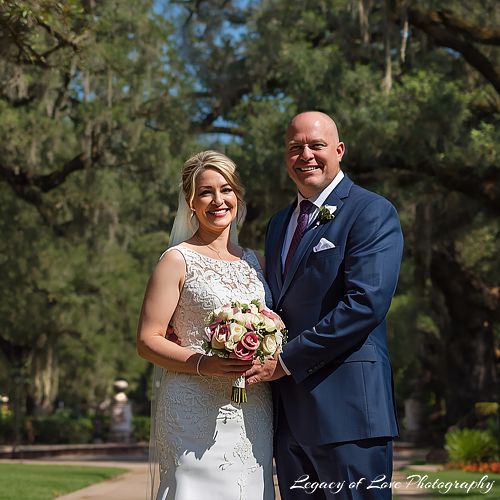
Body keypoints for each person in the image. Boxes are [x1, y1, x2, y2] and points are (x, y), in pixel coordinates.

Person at [245, 111, 404, 499]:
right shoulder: (279, 224)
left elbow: (365, 304)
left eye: (316, 146)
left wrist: (284, 361)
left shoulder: (371, 211)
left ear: (339, 150)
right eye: (295, 148)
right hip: (289, 420)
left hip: (349, 413)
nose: (306, 156)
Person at [137, 150, 275, 500]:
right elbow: (148, 339)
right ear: (191, 201)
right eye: (205, 192)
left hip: (253, 407)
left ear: (238, 196)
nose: (218, 200)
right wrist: (203, 363)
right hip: (192, 408)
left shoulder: (257, 262)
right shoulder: (176, 260)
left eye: (226, 189)